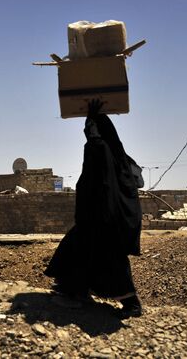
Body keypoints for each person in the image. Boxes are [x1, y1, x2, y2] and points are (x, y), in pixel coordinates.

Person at [44, 100, 145, 318]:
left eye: (91, 129)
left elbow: (100, 183)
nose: (88, 133)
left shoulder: (101, 150)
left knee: (110, 260)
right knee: (77, 248)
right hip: (99, 217)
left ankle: (132, 304)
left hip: (107, 218)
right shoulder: (111, 151)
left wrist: (92, 127)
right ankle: (75, 290)